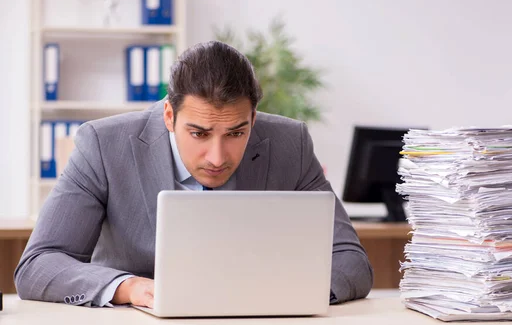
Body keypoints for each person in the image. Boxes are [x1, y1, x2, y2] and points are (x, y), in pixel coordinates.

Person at [14, 41, 373, 308]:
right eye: (199, 133)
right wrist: (130, 288)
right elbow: (37, 265)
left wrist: (282, 292)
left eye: (236, 133)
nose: (217, 157)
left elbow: (350, 261)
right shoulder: (104, 146)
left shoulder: (289, 144)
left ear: (254, 118)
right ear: (169, 116)